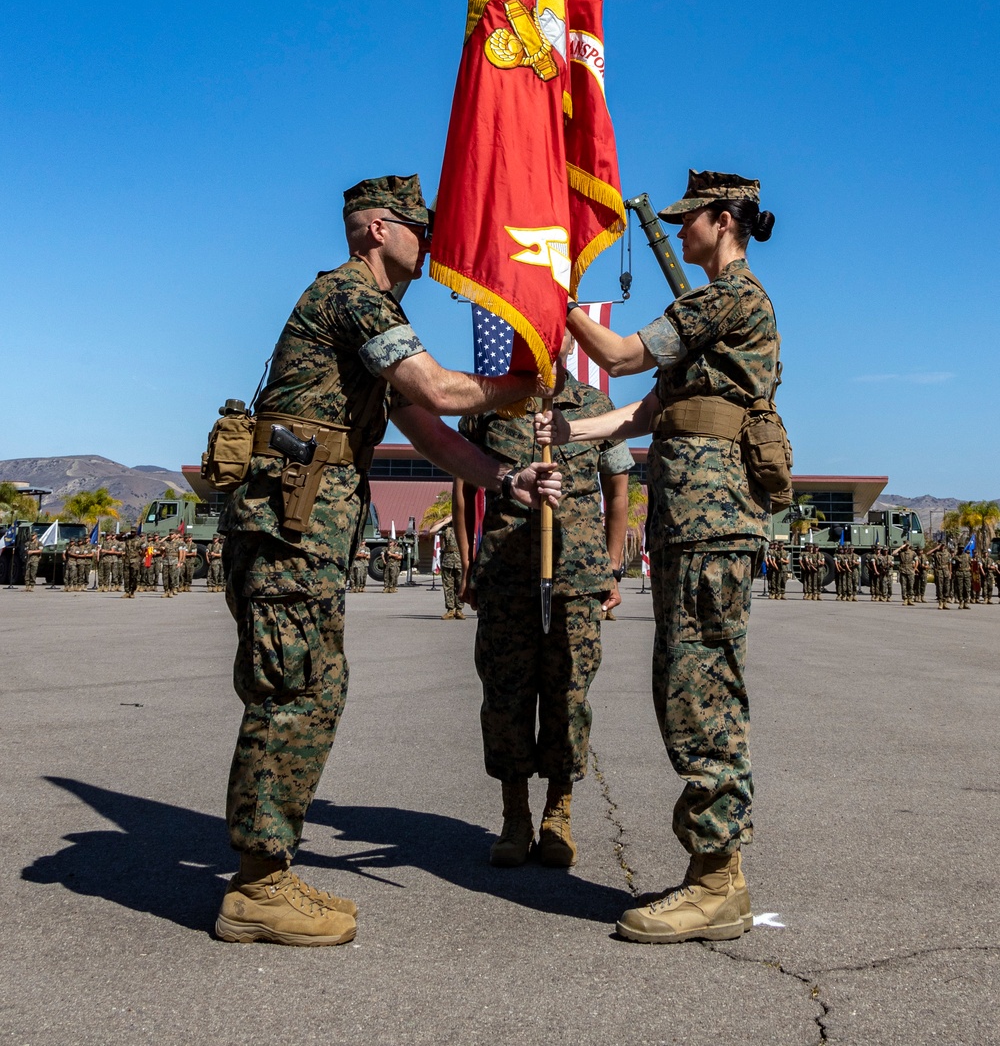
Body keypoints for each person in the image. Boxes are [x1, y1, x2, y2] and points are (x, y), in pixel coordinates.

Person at [214, 174, 561, 948]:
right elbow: (434, 389)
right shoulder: (350, 296)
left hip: (307, 529)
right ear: (377, 228)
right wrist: (528, 378)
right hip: (287, 529)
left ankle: (266, 870)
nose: (430, 241)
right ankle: (256, 884)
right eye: (417, 227)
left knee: (313, 687)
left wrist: (505, 477)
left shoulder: (376, 314)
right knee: (291, 689)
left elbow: (429, 434)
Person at [536, 169, 778, 944]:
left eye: (687, 221)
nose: (678, 233)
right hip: (691, 522)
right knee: (686, 682)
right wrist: (571, 433)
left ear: (721, 219)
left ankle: (716, 881)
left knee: (700, 689)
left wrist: (552, 297)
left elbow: (621, 352)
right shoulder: (717, 309)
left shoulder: (728, 296)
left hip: (711, 523)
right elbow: (645, 410)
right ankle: (713, 873)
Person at [455, 332, 631, 870]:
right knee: (505, 697)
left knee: (568, 695)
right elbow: (464, 483)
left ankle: (559, 814)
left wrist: (612, 565)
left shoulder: (594, 409)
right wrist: (468, 563)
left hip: (576, 577)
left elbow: (618, 488)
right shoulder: (488, 402)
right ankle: (515, 817)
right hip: (506, 575)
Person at [438, 523, 464, 620]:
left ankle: (459, 610)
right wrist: (445, 519)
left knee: (460, 585)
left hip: (460, 561)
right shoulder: (446, 528)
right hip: (447, 561)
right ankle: (450, 610)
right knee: (448, 586)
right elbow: (432, 530)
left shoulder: (464, 526)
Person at [929, 540, 952, 609]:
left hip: (946, 571)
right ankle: (940, 602)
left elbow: (949, 563)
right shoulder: (936, 552)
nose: (942, 547)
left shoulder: (948, 553)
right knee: (939, 587)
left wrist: (950, 572)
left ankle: (945, 602)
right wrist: (936, 548)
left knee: (946, 587)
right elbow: (928, 553)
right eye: (941, 545)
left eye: (943, 545)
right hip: (939, 571)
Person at [122, 533, 144, 599]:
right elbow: (118, 537)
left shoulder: (140, 541)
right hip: (127, 560)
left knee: (134, 576)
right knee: (126, 576)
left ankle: (132, 591)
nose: (132, 533)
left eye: (134, 532)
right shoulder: (127, 539)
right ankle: (127, 592)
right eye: (131, 532)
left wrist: (140, 559)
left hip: (135, 560)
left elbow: (144, 550)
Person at [952, 544, 973, 610]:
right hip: (959, 574)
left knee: (967, 588)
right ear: (958, 549)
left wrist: (970, 571)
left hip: (967, 574)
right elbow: (953, 566)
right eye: (960, 548)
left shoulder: (967, 556)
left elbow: (971, 564)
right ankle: (961, 602)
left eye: (962, 548)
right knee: (960, 589)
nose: (961, 549)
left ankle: (966, 603)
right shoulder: (955, 557)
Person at [896, 540, 917, 606]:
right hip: (903, 570)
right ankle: (905, 599)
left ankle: (910, 599)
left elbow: (916, 560)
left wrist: (915, 569)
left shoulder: (913, 552)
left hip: (910, 570)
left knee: (911, 585)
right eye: (905, 545)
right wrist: (900, 547)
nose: (906, 547)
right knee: (904, 586)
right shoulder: (901, 552)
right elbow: (893, 553)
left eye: (907, 545)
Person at [161, 533, 181, 598]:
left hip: (174, 561)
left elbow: (180, 553)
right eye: (170, 534)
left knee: (172, 577)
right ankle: (166, 591)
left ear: (175, 535)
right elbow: (161, 551)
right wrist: (162, 550)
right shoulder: (165, 543)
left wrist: (179, 562)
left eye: (172, 534)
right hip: (166, 561)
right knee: (165, 577)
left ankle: (171, 591)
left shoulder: (178, 543)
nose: (170, 536)